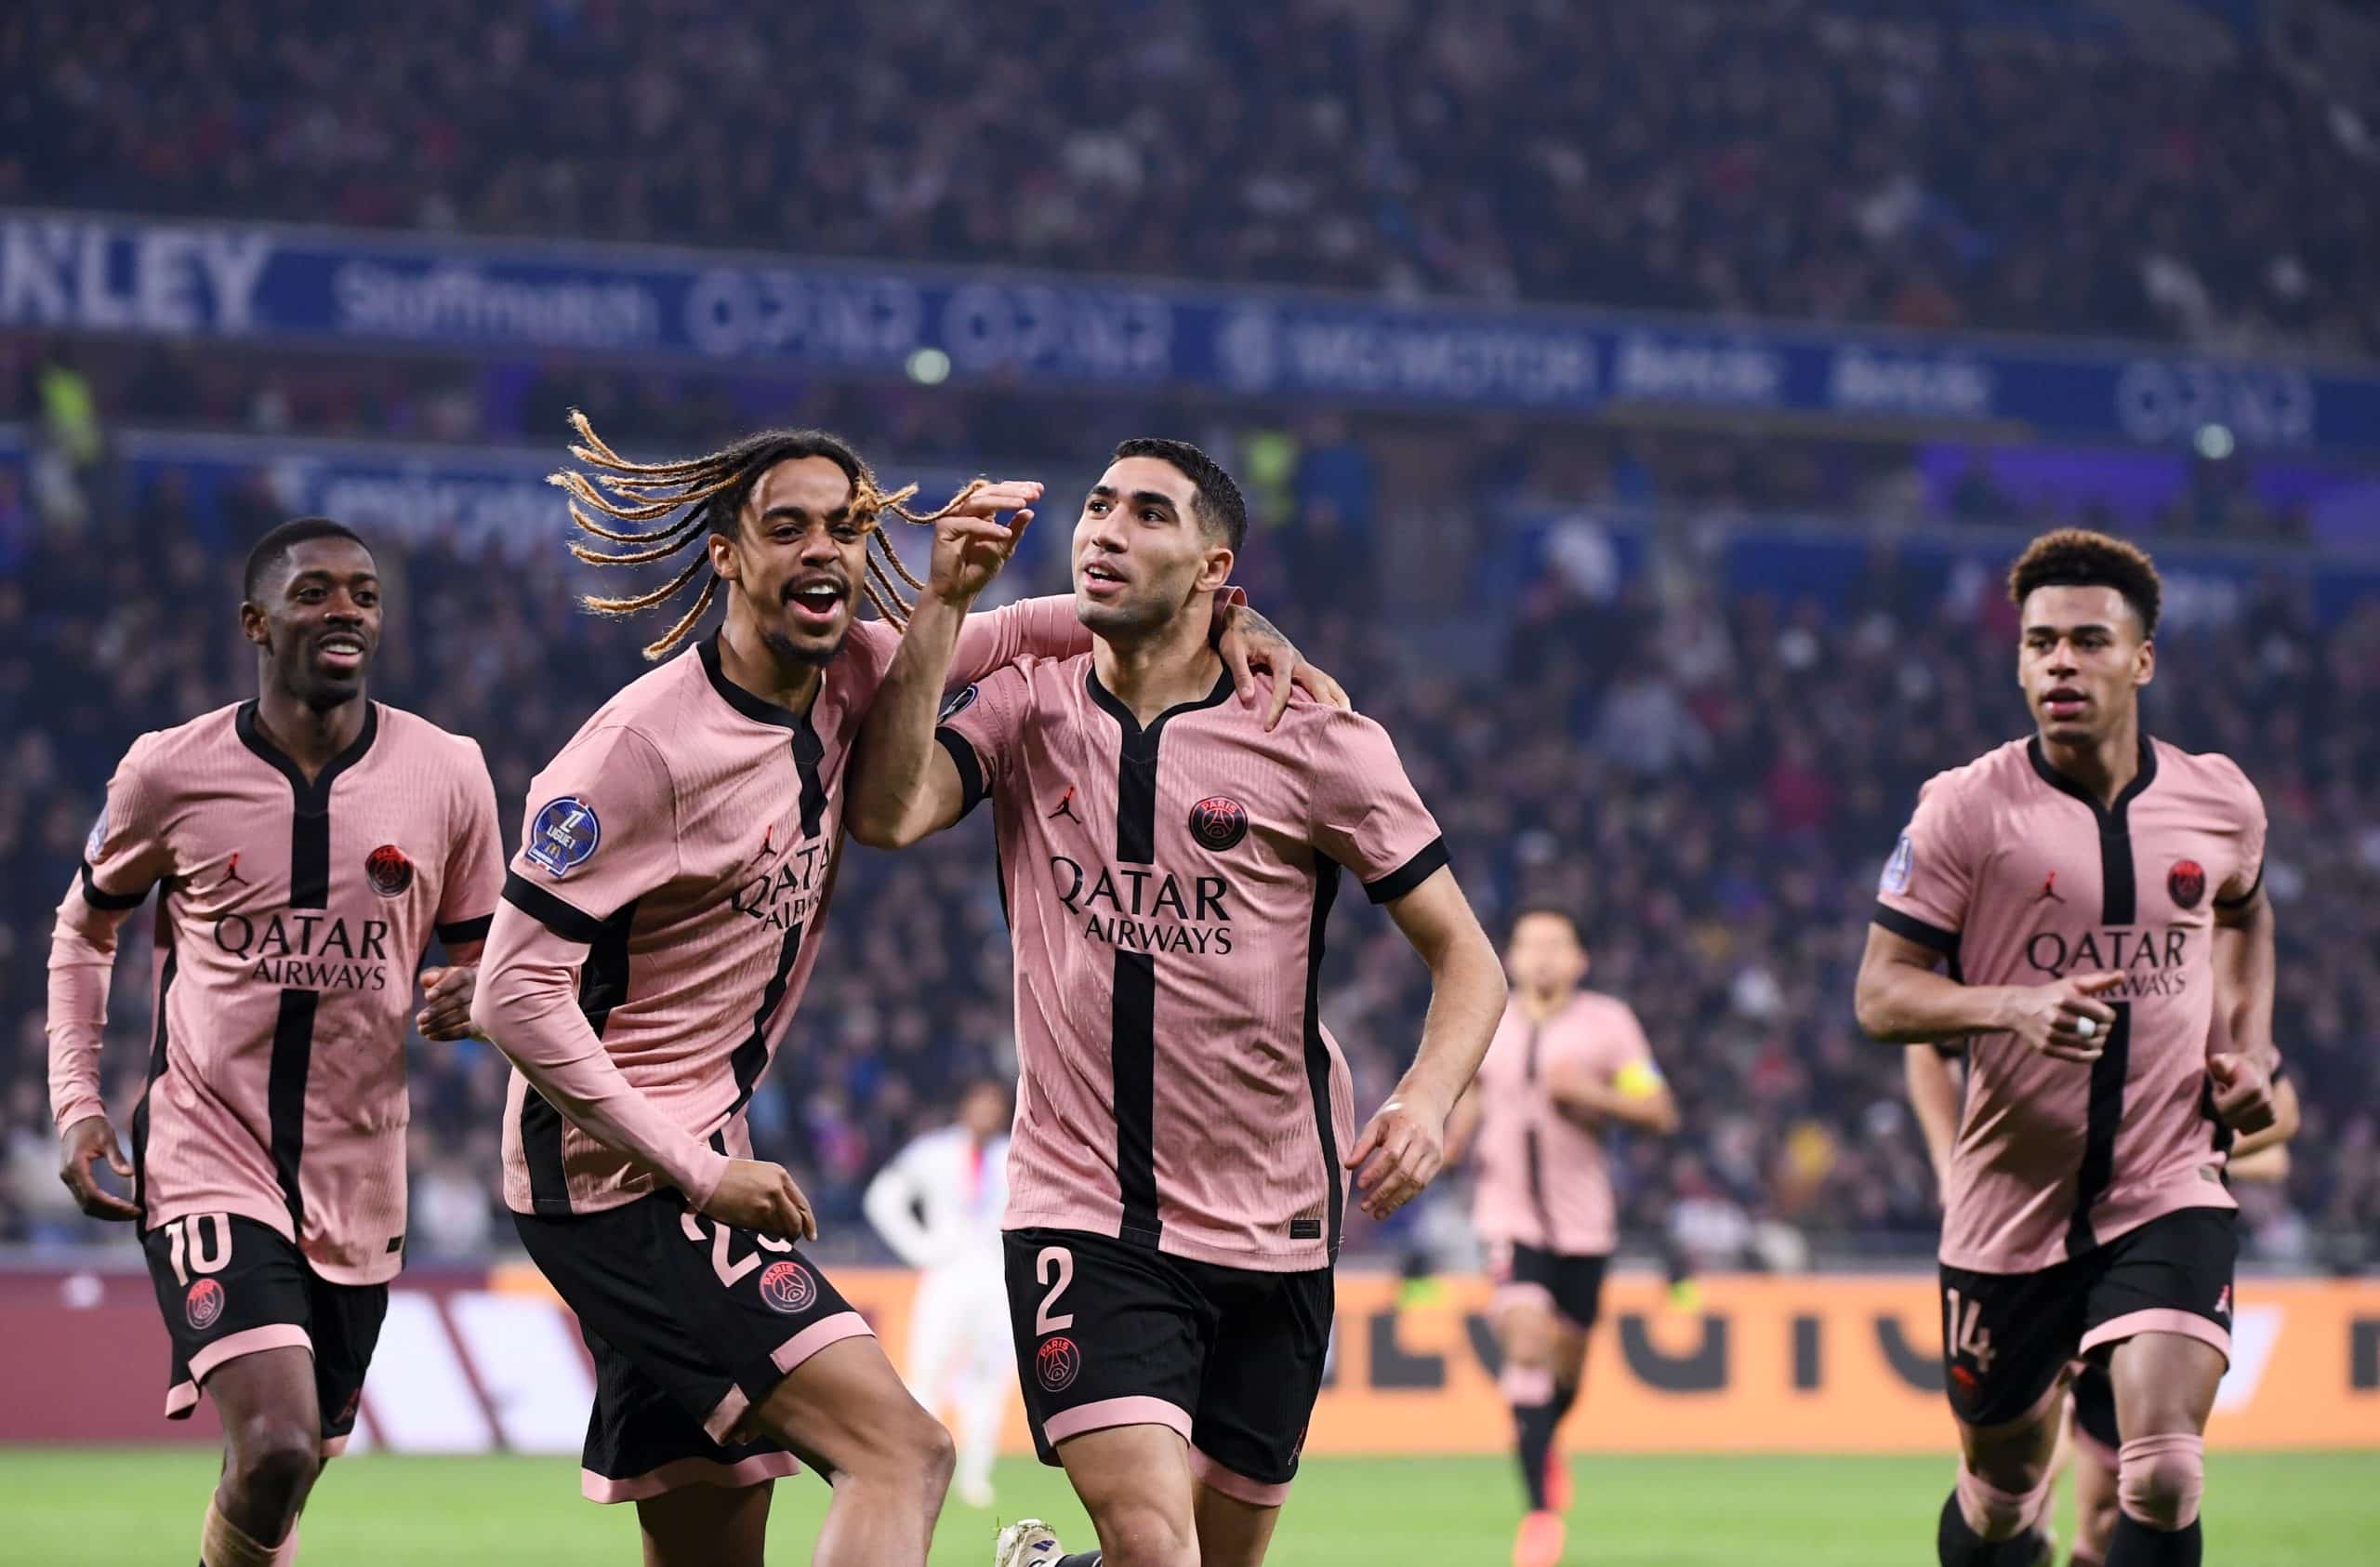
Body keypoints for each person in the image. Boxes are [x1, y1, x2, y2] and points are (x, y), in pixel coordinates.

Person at [469, 415, 1332, 1567]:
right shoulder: (635, 750)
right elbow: (511, 1000)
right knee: (903, 1454)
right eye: (787, 528)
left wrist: (1236, 616)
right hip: (624, 1180)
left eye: (846, 526)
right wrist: (698, 1169)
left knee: (708, 1536)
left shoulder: (858, 673)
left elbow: (1061, 623)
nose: (823, 550)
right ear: (727, 553)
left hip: (693, 1155)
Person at [844, 436, 1508, 1567]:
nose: (1105, 529)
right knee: (1160, 1545)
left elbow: (1468, 957)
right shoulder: (1023, 704)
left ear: (1214, 570)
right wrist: (946, 604)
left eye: (1147, 514)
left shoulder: (1316, 738)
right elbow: (888, 811)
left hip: (1280, 1218)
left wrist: (1426, 1101)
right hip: (1086, 1208)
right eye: (1097, 506)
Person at [46, 517, 502, 1567]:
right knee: (278, 1439)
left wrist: (472, 996)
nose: (346, 608)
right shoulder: (169, 771)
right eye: (315, 592)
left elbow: (493, 962)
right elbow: (86, 926)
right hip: (208, 1152)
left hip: (360, 1172)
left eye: (365, 592)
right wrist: (78, 1101)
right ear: (257, 620)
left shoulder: (450, 772)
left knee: (280, 1479)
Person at [1855, 528, 2280, 1567]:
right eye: (2040, 641)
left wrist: (2248, 1044)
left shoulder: (2219, 800)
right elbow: (1880, 994)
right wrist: (2013, 1009)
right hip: (2009, 1204)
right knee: (2003, 1496)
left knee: (2164, 1468)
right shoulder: (1963, 807)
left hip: (2166, 1177)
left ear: (2140, 659)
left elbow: (2246, 915)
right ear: (2017, 659)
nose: (2059, 661)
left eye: (2089, 640)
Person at [1906, 1038, 2299, 1567]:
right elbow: (1925, 1039)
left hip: (2141, 1246)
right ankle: (2030, 1534)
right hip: (2023, 1236)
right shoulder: (2013, 965)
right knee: (2010, 1486)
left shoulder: (2184, 973)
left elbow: (2280, 1111)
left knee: (2129, 1496)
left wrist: (2179, 1144)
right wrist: (1946, 1165)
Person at [1448, 906, 1679, 1567]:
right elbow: (1471, 1092)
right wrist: (1453, 1136)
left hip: (1584, 1225)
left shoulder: (1609, 1025)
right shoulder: (1487, 1016)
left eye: (1557, 944)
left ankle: (1546, 1438)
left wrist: (1592, 1097)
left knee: (1567, 1370)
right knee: (1524, 1340)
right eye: (1530, 945)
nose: (1543, 957)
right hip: (1508, 1215)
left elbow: (1658, 1109)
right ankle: (1541, 1519)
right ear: (1512, 958)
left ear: (1579, 959)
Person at [863, 1079, 1018, 1513]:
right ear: (966, 1106)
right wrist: (920, 1248)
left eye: (995, 1105)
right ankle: (919, 1467)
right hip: (945, 1275)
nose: (986, 1112)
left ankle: (974, 1479)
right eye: (980, 1103)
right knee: (927, 1371)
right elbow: (883, 1197)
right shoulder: (933, 1152)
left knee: (989, 1379)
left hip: (994, 1275)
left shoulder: (1013, 1154)